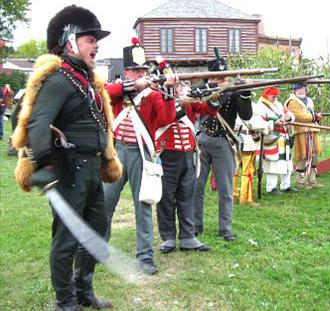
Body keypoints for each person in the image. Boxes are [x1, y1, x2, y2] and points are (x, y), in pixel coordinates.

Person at [11, 5, 122, 310]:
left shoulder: (85, 80)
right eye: (90, 39)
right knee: (66, 240)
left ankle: (83, 290)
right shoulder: (59, 78)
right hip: (68, 170)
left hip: (91, 168)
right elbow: (36, 124)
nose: (96, 45)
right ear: (70, 40)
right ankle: (66, 302)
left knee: (98, 228)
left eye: (96, 40)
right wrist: (45, 165)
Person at [103, 39, 175, 275]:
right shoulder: (117, 90)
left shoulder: (153, 94)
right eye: (135, 70)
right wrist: (126, 87)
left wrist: (169, 91)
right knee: (105, 203)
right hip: (115, 152)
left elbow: (165, 120)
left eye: (143, 70)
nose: (140, 74)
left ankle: (145, 256)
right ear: (126, 72)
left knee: (143, 206)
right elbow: (101, 93)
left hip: (141, 153)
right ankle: (99, 249)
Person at [154, 72, 217, 253]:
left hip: (188, 152)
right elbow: (164, 118)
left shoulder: (187, 100)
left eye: (181, 84)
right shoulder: (159, 99)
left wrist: (213, 93)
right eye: (176, 84)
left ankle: (188, 236)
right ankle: (168, 238)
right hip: (166, 154)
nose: (180, 87)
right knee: (166, 197)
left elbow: (209, 110)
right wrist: (177, 99)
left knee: (187, 196)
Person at [194, 53, 253, 241]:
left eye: (224, 78)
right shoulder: (201, 90)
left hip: (223, 141)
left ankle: (225, 228)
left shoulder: (234, 92)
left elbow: (247, 115)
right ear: (210, 78)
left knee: (226, 189)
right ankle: (195, 226)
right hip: (201, 141)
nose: (222, 81)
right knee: (197, 187)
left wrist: (245, 93)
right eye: (218, 78)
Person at [255, 87, 296, 195]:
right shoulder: (260, 106)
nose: (275, 98)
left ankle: (286, 185)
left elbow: (290, 114)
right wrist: (275, 123)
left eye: (276, 96)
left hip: (283, 136)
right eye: (273, 96)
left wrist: (288, 117)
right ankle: (271, 188)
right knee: (272, 162)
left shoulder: (278, 103)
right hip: (271, 138)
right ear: (266, 94)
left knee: (285, 161)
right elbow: (260, 123)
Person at [285, 82, 322, 189]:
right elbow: (301, 117)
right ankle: (301, 182)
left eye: (303, 89)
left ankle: (312, 180)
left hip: (312, 130)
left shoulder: (309, 100)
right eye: (298, 89)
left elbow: (310, 114)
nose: (301, 91)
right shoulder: (292, 102)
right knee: (303, 156)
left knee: (314, 155)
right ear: (294, 91)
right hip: (301, 132)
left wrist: (315, 117)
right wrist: (314, 117)